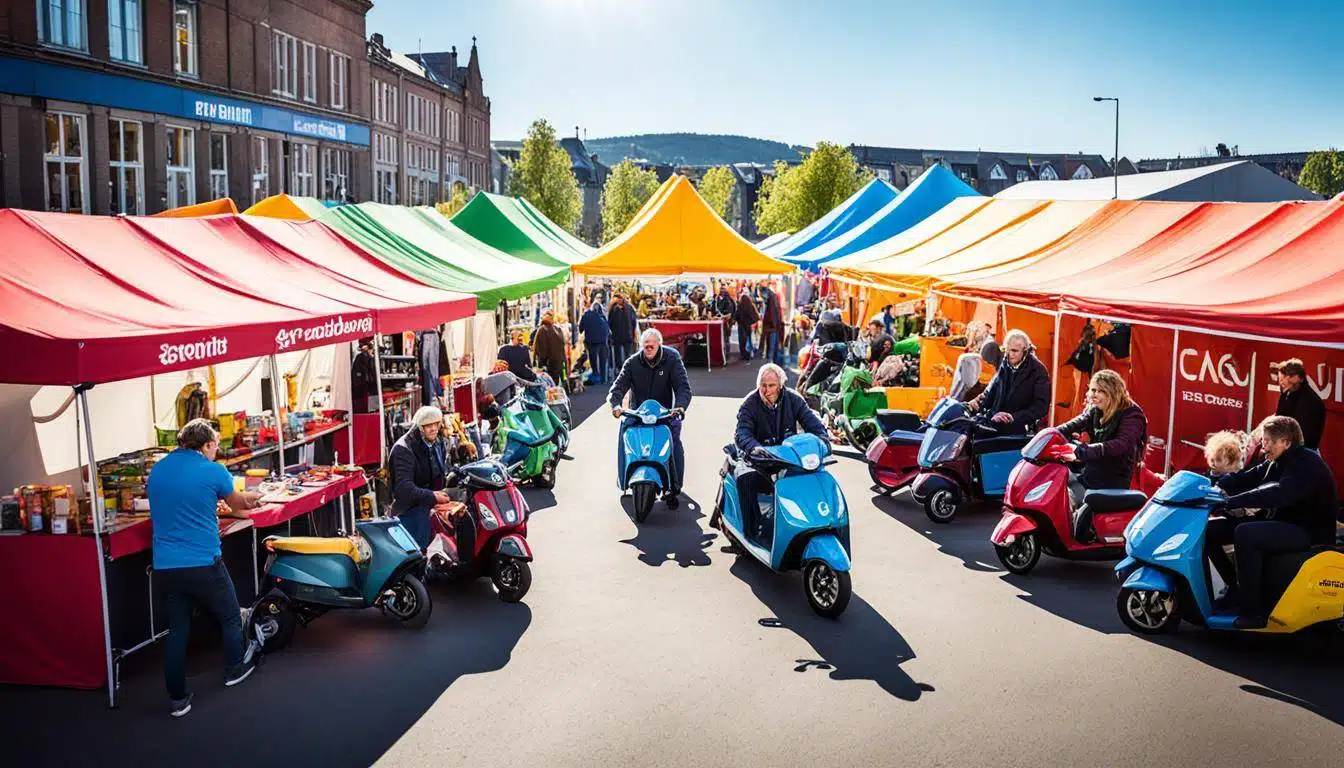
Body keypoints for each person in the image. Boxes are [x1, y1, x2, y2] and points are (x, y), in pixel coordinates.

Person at [147, 418, 263, 717]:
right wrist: (255, 496)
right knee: (229, 616)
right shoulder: (213, 471)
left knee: (178, 630)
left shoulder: (158, 469)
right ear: (208, 444)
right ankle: (235, 668)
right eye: (216, 446)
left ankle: (177, 699)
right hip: (203, 561)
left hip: (166, 566)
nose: (217, 452)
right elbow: (239, 504)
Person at [1213, 415, 1339, 628]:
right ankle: (1235, 589)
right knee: (1211, 530)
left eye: (1268, 441)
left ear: (1286, 442)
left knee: (1246, 533)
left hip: (1308, 531)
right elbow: (1247, 477)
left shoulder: (1305, 463)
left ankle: (1253, 610)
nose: (1263, 446)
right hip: (1286, 523)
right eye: (1263, 440)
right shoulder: (1276, 461)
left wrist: (1232, 502)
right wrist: (1212, 484)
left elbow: (1279, 494)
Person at [719, 363, 828, 542]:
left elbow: (813, 424)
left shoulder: (794, 399)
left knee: (816, 476)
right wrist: (755, 449)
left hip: (789, 458)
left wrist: (823, 442)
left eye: (771, 385)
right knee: (746, 478)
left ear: (780, 385)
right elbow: (742, 433)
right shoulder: (750, 403)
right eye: (763, 385)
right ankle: (752, 534)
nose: (766, 390)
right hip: (758, 459)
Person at [1054, 370, 1148, 542]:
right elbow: (1074, 423)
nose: (1093, 395)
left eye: (1100, 391)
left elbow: (1120, 445)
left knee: (1080, 522)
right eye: (1092, 390)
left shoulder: (1132, 414)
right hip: (1094, 469)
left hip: (1115, 475)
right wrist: (1051, 433)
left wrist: (1083, 450)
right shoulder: (1096, 409)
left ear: (1112, 393)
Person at [608, 328, 693, 507]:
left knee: (674, 440)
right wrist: (615, 405)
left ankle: (675, 487)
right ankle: (623, 477)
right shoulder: (632, 363)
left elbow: (683, 387)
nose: (648, 350)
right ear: (641, 346)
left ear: (659, 345)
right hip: (638, 414)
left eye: (651, 347)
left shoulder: (672, 358)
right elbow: (618, 387)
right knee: (624, 433)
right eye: (645, 347)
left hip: (664, 414)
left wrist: (679, 407)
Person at [389, 406, 455, 551]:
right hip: (410, 513)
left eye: (436, 424)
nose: (433, 429)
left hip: (430, 509)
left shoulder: (437, 443)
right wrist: (432, 496)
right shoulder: (404, 449)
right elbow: (403, 488)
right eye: (428, 425)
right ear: (420, 427)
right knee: (419, 558)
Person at [969, 329, 1050, 433]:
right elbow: (989, 393)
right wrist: (974, 403)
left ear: (1026, 350)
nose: (1010, 354)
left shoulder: (1039, 371)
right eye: (1007, 350)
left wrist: (1012, 417)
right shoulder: (1005, 364)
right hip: (994, 424)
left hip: (1018, 431)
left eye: (1015, 351)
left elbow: (1040, 408)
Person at [1274, 358, 1325, 451]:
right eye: (1283, 378)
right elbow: (1279, 418)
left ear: (1301, 378)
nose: (1284, 381)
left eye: (1290, 376)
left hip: (1303, 452)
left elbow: (1306, 435)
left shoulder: (1311, 401)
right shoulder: (1288, 393)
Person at [531, 309, 568, 387]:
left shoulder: (542, 330)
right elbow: (563, 343)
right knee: (557, 381)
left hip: (549, 362)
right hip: (560, 360)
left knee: (549, 383)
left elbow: (542, 349)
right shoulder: (558, 329)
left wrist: (541, 363)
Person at [578, 299, 611, 385]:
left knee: (593, 358)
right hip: (603, 340)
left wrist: (582, 330)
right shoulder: (602, 316)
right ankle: (603, 379)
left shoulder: (586, 315)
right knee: (602, 359)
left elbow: (581, 328)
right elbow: (607, 328)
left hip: (591, 340)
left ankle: (596, 374)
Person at [608, 293, 638, 364]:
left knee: (627, 355)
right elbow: (610, 323)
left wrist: (634, 335)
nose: (618, 301)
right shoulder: (613, 309)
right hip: (619, 336)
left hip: (626, 336)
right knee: (619, 355)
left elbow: (634, 322)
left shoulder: (629, 308)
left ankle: (627, 368)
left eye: (619, 299)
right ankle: (620, 368)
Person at [351, 337, 379, 413]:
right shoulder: (360, 358)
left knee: (371, 406)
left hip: (370, 386)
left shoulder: (371, 357)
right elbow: (356, 374)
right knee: (362, 407)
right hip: (362, 388)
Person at [760, 284, 785, 366]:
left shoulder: (771, 300)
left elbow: (773, 315)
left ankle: (771, 363)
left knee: (772, 346)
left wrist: (774, 325)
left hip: (772, 327)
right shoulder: (772, 298)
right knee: (772, 346)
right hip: (773, 326)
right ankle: (772, 362)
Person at [734, 288, 760, 363]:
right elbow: (755, 317)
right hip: (748, 327)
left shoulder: (740, 306)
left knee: (742, 341)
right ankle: (749, 354)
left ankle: (744, 355)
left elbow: (736, 316)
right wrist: (752, 323)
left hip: (742, 327)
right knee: (749, 340)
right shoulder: (751, 306)